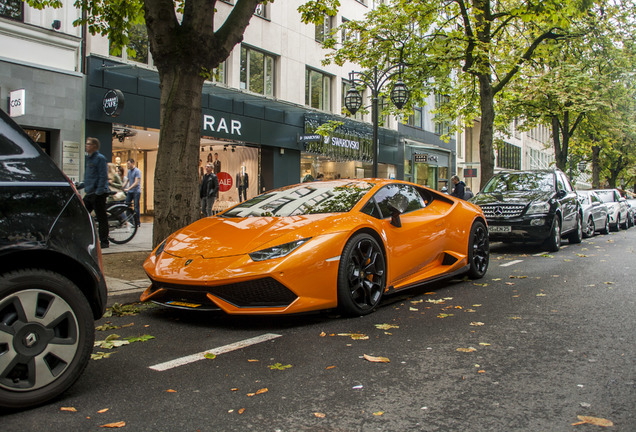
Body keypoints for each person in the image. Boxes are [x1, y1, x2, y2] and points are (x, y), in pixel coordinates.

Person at [83, 137, 110, 248]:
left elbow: (103, 176)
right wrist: (83, 185)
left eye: (89, 144)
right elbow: (89, 176)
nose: (86, 146)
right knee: (83, 214)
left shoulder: (100, 158)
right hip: (90, 193)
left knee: (101, 217)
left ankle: (104, 241)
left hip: (98, 193)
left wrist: (99, 191)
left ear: (94, 146)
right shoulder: (89, 159)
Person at [123, 158, 142, 227]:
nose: (127, 165)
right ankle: (131, 222)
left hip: (136, 191)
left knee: (136, 207)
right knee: (126, 205)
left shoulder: (137, 171)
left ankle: (137, 222)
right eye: (127, 164)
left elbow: (136, 182)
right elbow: (127, 180)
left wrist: (128, 188)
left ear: (133, 163)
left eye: (128, 164)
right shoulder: (129, 171)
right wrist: (122, 187)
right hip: (130, 191)